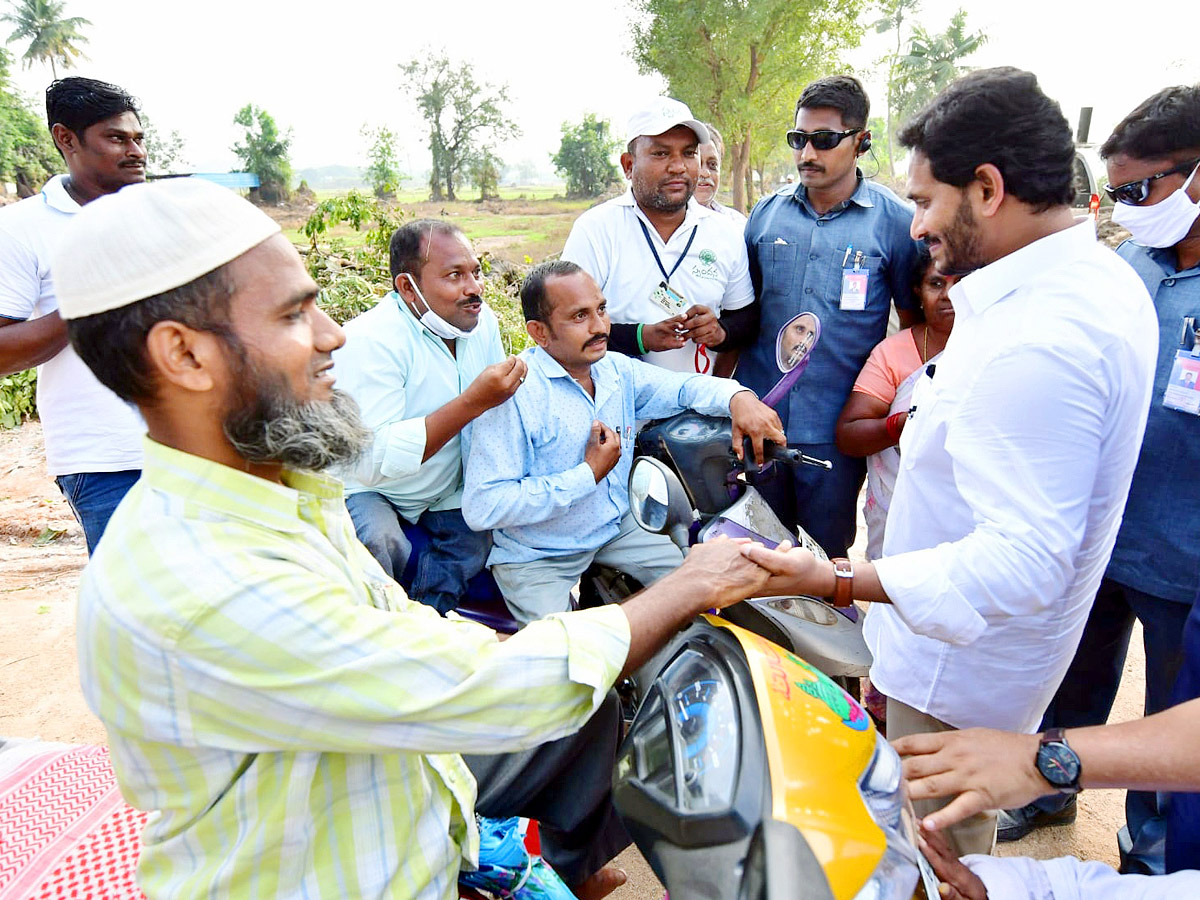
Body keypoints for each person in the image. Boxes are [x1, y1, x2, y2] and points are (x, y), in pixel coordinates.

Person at [56, 177, 773, 900]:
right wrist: (689, 585)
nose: (334, 335)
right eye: (295, 315)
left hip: (405, 801)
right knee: (570, 681)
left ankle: (553, 863)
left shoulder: (285, 493)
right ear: (183, 357)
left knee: (585, 706)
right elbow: (489, 691)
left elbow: (412, 634)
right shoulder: (198, 578)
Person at [738, 67, 1158, 857]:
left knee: (934, 854)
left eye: (928, 201)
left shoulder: (1039, 338)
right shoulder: (1096, 280)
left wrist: (836, 581)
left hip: (958, 671)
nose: (919, 227)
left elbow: (1024, 563)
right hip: (962, 654)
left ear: (989, 188)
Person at [998, 85, 1200, 872]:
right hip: (1101, 533)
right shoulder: (1130, 264)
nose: (1129, 205)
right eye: (1117, 192)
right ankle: (1046, 789)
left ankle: (1154, 843)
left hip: (1184, 554)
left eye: (1142, 188)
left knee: (1172, 710)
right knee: (1072, 674)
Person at [462, 260, 784, 624]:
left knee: (706, 592)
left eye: (600, 309)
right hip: (539, 554)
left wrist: (738, 397)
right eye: (580, 316)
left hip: (617, 526)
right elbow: (483, 507)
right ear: (540, 332)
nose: (600, 327)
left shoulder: (615, 370)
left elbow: (682, 388)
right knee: (568, 664)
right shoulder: (513, 394)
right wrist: (588, 474)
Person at [735, 74, 922, 559]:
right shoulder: (766, 217)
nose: (807, 154)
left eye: (824, 140)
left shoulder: (895, 224)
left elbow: (913, 331)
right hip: (761, 426)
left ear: (861, 142)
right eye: (799, 140)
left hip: (836, 436)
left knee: (825, 563)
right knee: (758, 555)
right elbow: (742, 317)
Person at [333, 220, 526, 612]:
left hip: (444, 484)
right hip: (370, 486)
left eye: (476, 272)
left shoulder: (480, 321)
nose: (474, 288)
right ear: (408, 288)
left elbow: (492, 420)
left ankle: (429, 620)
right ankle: (378, 631)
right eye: (455, 275)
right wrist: (472, 402)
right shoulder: (371, 340)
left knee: (476, 541)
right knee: (377, 542)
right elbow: (371, 463)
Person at [0, 77, 146, 554]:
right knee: (136, 606)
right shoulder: (22, 229)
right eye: (116, 138)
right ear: (66, 139)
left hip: (196, 445)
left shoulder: (159, 217)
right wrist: (90, 300)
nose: (136, 151)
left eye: (138, 138)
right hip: (108, 458)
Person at [560, 97, 755, 375]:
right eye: (661, 154)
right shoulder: (596, 230)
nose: (678, 166)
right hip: (617, 410)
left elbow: (744, 317)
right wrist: (641, 337)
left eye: (688, 153)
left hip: (696, 412)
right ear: (628, 165)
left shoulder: (724, 233)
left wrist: (720, 331)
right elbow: (568, 325)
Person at [835, 246, 958, 559]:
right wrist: (900, 426)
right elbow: (850, 433)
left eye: (961, 283)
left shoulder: (998, 346)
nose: (949, 295)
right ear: (918, 291)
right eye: (937, 284)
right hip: (899, 511)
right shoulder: (894, 353)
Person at [694, 122, 746, 226]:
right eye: (697, 164)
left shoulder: (737, 224)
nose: (705, 173)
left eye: (712, 164)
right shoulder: (662, 226)